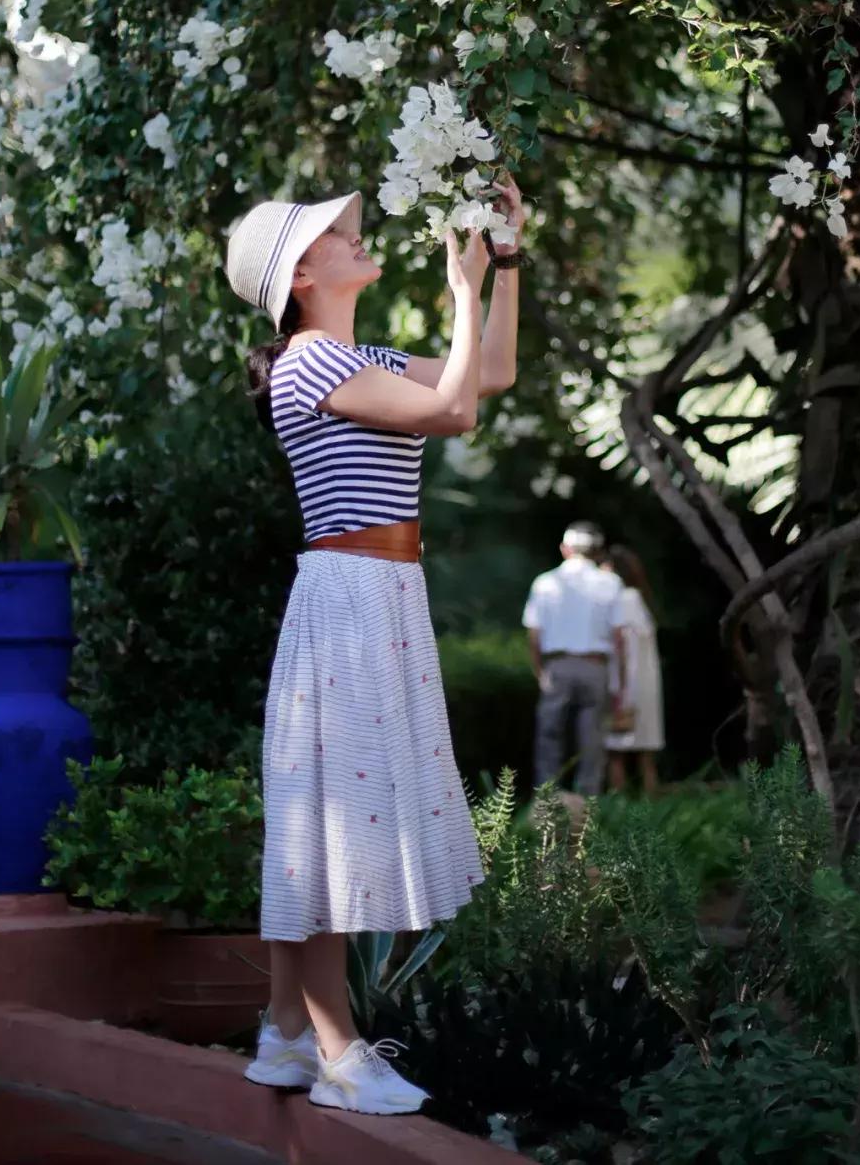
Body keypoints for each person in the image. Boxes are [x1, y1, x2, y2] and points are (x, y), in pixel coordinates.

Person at [224, 177, 523, 1115]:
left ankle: (282, 1034)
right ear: (305, 274)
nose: (358, 239)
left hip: (376, 595)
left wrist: (504, 264)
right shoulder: (311, 363)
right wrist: (464, 290)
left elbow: (491, 375)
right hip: (353, 599)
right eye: (339, 237)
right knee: (333, 830)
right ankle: (340, 1051)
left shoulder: (356, 356)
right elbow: (453, 414)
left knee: (324, 813)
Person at [522, 522, 628, 797]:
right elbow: (619, 638)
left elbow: (534, 634)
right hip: (596, 666)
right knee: (592, 739)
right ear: (597, 551)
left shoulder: (545, 582)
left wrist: (540, 671)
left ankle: (546, 801)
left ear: (565, 549)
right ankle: (588, 803)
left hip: (557, 666)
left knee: (549, 735)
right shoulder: (611, 582)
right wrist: (620, 682)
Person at [602, 545, 665, 796]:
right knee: (645, 752)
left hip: (626, 681)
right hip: (646, 682)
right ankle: (652, 803)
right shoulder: (639, 598)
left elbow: (622, 648)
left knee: (615, 750)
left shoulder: (622, 601)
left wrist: (619, 688)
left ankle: (616, 803)